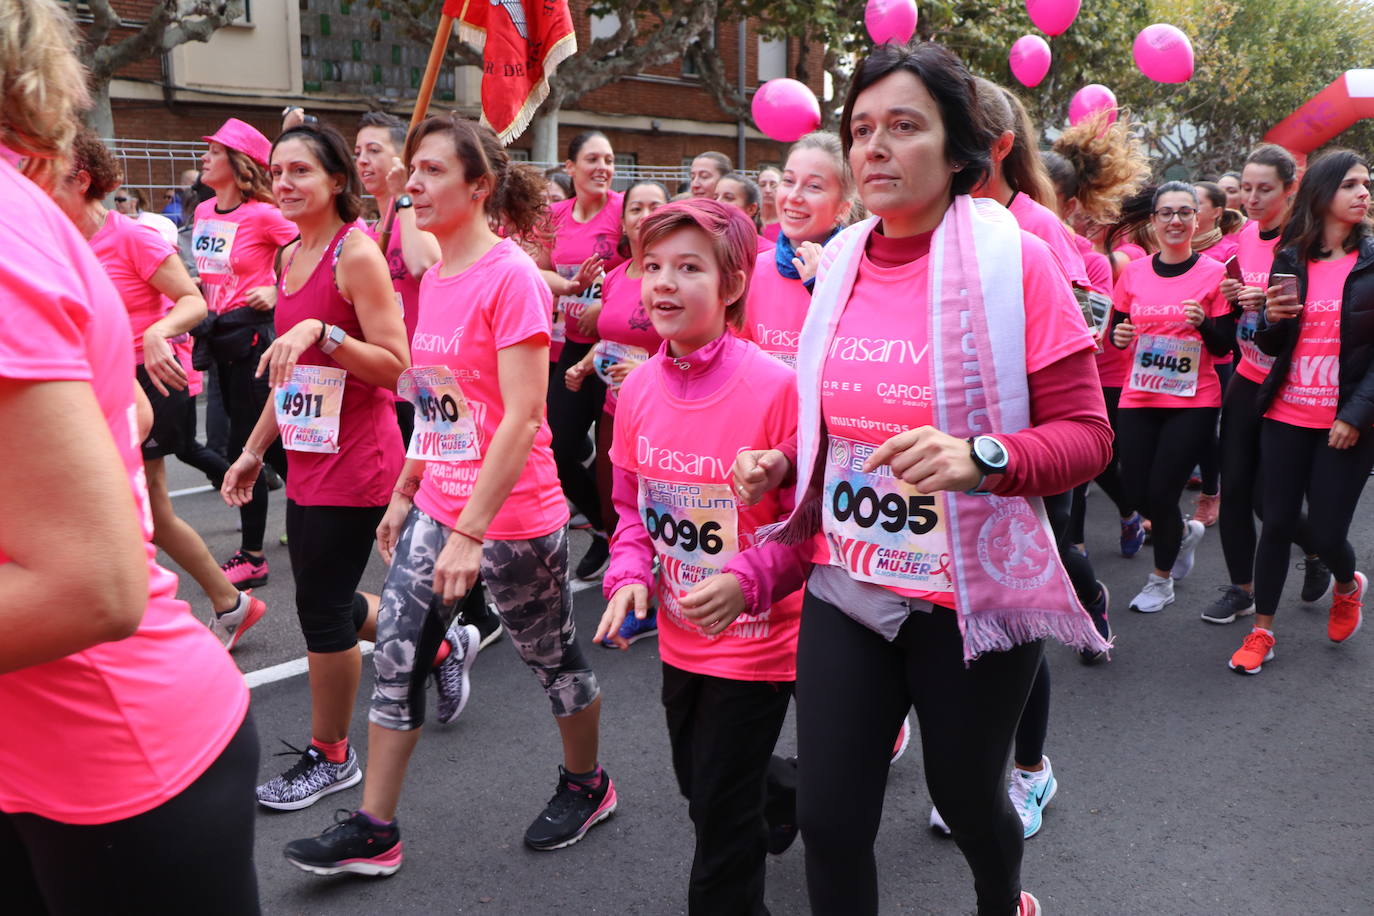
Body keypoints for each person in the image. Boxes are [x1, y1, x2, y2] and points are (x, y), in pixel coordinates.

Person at [732, 42, 1111, 916]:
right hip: (850, 584)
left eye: (903, 126)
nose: (874, 147)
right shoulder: (838, 263)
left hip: (970, 595)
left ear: (959, 150)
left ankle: (1001, 897)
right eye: (861, 128)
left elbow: (1087, 437)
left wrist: (981, 459)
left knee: (971, 802)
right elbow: (838, 425)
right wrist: (788, 460)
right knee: (829, 823)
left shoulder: (1016, 261)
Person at [283, 115, 612, 874]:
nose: (413, 184)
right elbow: (442, 403)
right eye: (413, 170)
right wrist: (408, 489)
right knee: (398, 653)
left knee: (553, 661)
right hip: (441, 504)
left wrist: (472, 531)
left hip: (515, 518)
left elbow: (525, 416)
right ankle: (375, 828)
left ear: (479, 186)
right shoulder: (436, 279)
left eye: (431, 171)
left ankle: (586, 782)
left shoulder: (513, 278)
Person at [0, 2, 258, 909]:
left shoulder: (93, 231)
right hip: (34, 753)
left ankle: (237, 591)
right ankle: (230, 595)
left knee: (191, 503)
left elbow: (92, 584)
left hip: (112, 757)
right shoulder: (42, 226)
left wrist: (159, 352)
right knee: (151, 501)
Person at [594, 199, 804, 913]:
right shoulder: (639, 388)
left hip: (760, 642)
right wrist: (627, 576)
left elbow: (812, 530)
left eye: (688, 268)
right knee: (700, 785)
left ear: (733, 284)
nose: (664, 284)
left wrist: (748, 581)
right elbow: (629, 508)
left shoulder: (778, 388)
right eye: (652, 266)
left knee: (719, 829)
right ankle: (793, 793)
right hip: (683, 639)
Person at [221, 122, 410, 810]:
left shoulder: (353, 256)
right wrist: (252, 451)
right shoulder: (288, 256)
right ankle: (431, 641)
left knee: (320, 610)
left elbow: (397, 368)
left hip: (359, 457)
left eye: (300, 170)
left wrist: (325, 331)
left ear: (338, 181)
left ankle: (332, 754)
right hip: (307, 454)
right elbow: (291, 376)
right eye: (277, 171)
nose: (285, 182)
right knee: (325, 600)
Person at [53, 130, 266, 651]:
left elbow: (192, 302)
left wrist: (158, 331)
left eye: (46, 174)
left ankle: (153, 622)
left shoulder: (132, 237)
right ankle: (226, 602)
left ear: (82, 181)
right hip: (94, 386)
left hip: (150, 381)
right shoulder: (56, 241)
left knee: (134, 512)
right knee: (149, 514)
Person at [351, 109, 505, 651]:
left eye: (374, 150)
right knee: (437, 491)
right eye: (358, 151)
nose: (363, 160)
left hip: (459, 374)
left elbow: (423, 266)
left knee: (463, 487)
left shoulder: (417, 219)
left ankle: (476, 612)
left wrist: (403, 200)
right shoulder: (372, 227)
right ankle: (456, 624)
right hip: (414, 376)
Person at [1229, 149, 1374, 674]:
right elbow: (1272, 343)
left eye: (1367, 184)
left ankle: (1346, 580)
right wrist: (1269, 316)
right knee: (1277, 522)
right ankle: (1262, 630)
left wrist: (1355, 414)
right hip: (1286, 410)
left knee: (1330, 534)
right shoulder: (1291, 257)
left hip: (1346, 421)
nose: (1364, 193)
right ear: (1323, 193)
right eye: (1352, 184)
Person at [1205, 143, 1330, 625]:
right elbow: (1243, 313)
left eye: (1264, 189)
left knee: (1268, 500)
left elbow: (1314, 320)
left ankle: (1323, 555)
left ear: (1290, 188)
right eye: (1247, 187)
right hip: (1247, 374)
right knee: (1234, 487)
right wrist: (1238, 299)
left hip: (1289, 383)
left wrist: (1268, 304)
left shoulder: (1305, 244)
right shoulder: (1246, 238)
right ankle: (1241, 589)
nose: (1252, 199)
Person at [1109, 182, 1232, 613]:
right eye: (1166, 213)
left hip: (1193, 398)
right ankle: (1179, 533)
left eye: (1184, 212)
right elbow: (1119, 329)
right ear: (1154, 221)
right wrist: (1120, 335)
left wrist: (1202, 324)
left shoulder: (1214, 274)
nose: (1175, 221)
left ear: (1197, 219)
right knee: (1135, 487)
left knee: (1162, 492)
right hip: (1139, 395)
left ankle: (1159, 581)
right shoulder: (1134, 273)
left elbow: (1223, 347)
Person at [563, 179, 670, 647]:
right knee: (617, 507)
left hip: (670, 409)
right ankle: (640, 593)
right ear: (622, 221)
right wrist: (587, 365)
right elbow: (611, 336)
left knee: (666, 505)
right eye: (635, 207)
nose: (643, 214)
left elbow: (705, 339)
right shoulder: (618, 273)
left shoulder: (676, 274)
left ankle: (662, 594)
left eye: (655, 206)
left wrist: (651, 366)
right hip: (616, 409)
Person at [193, 117, 298, 588]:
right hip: (218, 341)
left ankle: (253, 555)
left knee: (248, 448)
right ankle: (319, 506)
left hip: (254, 339)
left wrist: (277, 289)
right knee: (258, 447)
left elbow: (311, 249)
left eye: (213, 151)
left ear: (236, 165)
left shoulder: (263, 214)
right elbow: (214, 271)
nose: (204, 157)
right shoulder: (202, 212)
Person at [1047, 114, 1151, 564]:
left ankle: (1082, 558)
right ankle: (1120, 520)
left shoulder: (1093, 262)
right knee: (1094, 466)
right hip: (1039, 383)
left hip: (1096, 376)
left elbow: (1093, 330)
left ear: (1070, 205)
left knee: (1088, 466)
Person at [538, 131, 625, 580]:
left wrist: (606, 304)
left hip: (618, 344)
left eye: (608, 159)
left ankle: (629, 541)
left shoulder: (624, 209)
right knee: (557, 444)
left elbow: (641, 267)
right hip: (572, 344)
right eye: (592, 159)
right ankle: (604, 527)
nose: (602, 168)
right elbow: (537, 272)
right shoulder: (553, 216)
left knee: (619, 458)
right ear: (569, 168)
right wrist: (571, 288)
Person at [741, 131, 853, 370]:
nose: (793, 196)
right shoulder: (753, 269)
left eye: (813, 186)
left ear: (842, 209)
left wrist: (822, 286)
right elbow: (738, 356)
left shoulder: (860, 271)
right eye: (789, 181)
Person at [758, 165, 782, 241]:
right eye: (762, 185)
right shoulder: (749, 220)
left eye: (773, 185)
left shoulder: (789, 224)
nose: (767, 190)